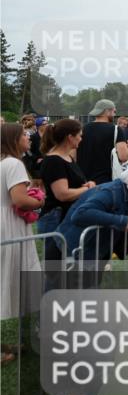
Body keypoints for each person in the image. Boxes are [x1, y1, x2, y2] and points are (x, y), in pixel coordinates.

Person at [1, 123, 45, 363]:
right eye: (23, 135)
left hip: (4, 223)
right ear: (13, 139)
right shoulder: (14, 164)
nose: (28, 137)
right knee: (10, 279)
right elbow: (19, 199)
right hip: (10, 225)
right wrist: (39, 201)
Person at [55, 161, 128, 262]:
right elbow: (80, 214)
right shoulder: (111, 192)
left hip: (97, 251)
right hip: (71, 250)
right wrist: (124, 221)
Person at [37, 119, 95, 236]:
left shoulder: (67, 157)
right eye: (79, 135)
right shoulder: (54, 161)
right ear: (70, 137)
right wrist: (87, 189)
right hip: (55, 219)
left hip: (65, 216)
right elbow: (62, 194)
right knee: (56, 254)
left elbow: (73, 183)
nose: (81, 139)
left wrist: (86, 184)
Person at [77, 99, 128, 184]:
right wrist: (127, 148)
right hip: (105, 182)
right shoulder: (115, 129)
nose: (114, 115)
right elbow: (123, 157)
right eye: (114, 112)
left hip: (83, 181)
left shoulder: (83, 129)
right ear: (107, 112)